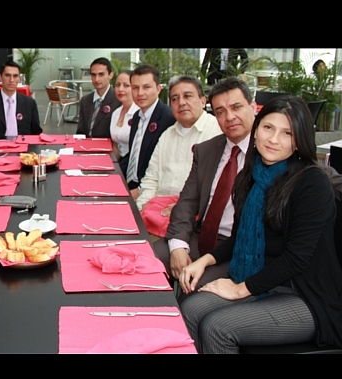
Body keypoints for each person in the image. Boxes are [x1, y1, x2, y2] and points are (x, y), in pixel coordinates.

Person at [179, 95, 342, 353]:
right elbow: (239, 237)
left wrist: (239, 289)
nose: (274, 139)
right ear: (255, 131)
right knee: (189, 309)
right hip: (265, 279)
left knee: (217, 327)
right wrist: (205, 260)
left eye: (287, 133)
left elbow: (297, 258)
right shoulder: (251, 175)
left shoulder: (312, 182)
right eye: (268, 127)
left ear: (299, 141)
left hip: (306, 295)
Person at [153, 77, 256, 292]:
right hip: (200, 236)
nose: (229, 117)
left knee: (192, 287)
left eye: (236, 107)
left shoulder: (266, 153)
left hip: (236, 246)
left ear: (253, 107)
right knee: (146, 262)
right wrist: (178, 245)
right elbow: (187, 202)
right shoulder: (206, 150)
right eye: (220, 111)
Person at [136, 76, 222, 219]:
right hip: (157, 210)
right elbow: (151, 178)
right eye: (175, 99)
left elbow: (216, 187)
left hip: (193, 214)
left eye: (187, 96)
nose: (181, 102)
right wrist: (142, 208)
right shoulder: (167, 135)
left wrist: (183, 207)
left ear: (203, 101)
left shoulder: (217, 132)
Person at [124, 64, 176, 197]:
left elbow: (167, 168)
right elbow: (134, 155)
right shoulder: (137, 116)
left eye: (146, 87)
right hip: (128, 183)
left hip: (147, 190)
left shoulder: (169, 119)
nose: (140, 93)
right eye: (135, 88)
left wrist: (140, 190)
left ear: (158, 89)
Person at [0, 60, 43, 139]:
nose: (11, 80)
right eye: (7, 75)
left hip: (23, 145)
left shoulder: (29, 103)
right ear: (0, 77)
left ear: (19, 78)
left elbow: (36, 132)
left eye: (15, 76)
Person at [77, 57, 121, 138]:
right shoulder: (85, 100)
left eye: (101, 74)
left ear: (110, 75)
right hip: (86, 144)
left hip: (108, 145)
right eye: (93, 75)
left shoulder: (118, 100)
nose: (96, 79)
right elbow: (80, 131)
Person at [109, 70, 140, 160]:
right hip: (119, 161)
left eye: (126, 85)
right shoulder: (116, 113)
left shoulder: (139, 113)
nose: (120, 89)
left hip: (133, 162)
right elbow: (116, 145)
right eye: (118, 85)